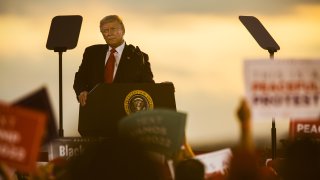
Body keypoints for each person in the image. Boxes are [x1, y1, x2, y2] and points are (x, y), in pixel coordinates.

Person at [73, 15, 155, 106]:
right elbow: (80, 78)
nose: (109, 33)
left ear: (123, 30)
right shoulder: (92, 52)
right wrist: (81, 91)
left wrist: (164, 88)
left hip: (124, 111)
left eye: (113, 29)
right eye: (105, 31)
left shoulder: (139, 57)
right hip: (96, 109)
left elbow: (148, 86)